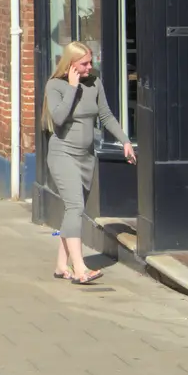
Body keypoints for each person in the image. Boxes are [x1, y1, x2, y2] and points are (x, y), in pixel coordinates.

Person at [43, 42, 134, 284]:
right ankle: (80, 269)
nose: (90, 67)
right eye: (84, 63)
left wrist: (124, 140)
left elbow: (105, 116)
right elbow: (59, 118)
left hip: (86, 158)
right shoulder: (55, 86)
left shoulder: (94, 83)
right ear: (71, 65)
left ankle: (62, 265)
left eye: (90, 62)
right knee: (76, 208)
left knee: (73, 209)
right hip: (63, 154)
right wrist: (72, 88)